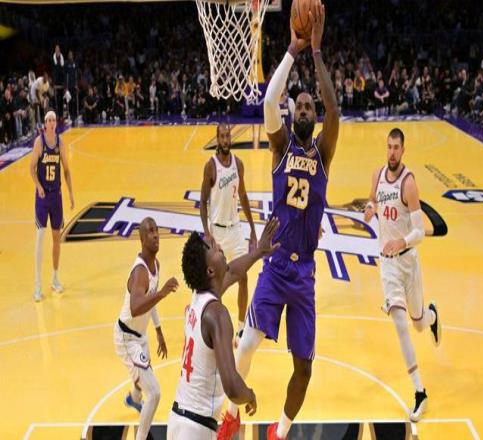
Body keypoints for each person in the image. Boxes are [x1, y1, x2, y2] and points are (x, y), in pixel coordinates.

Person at [218, 2, 340, 439]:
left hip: (303, 272)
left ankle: (279, 431)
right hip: (274, 265)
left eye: (309, 107)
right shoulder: (280, 146)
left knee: (304, 367)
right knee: (248, 343)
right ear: (293, 116)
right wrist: (292, 50)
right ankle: (231, 414)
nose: (304, 110)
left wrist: (318, 52)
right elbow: (271, 100)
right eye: (300, 106)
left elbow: (335, 112)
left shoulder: (323, 152)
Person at [167, 218, 280, 439]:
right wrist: (250, 395)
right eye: (214, 248)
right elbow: (232, 386)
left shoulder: (199, 296)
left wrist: (258, 252)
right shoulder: (217, 315)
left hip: (178, 419)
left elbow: (234, 272)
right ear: (210, 270)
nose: (219, 246)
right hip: (196, 427)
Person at [363, 127, 442, 422]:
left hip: (408, 261)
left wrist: (402, 241)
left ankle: (432, 316)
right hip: (388, 265)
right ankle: (420, 391)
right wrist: (369, 208)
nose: (392, 152)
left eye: (396, 147)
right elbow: (372, 199)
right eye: (389, 147)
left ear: (403, 150)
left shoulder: (409, 184)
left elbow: (420, 232)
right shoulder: (377, 175)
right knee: (399, 323)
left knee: (418, 323)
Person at [114, 217, 179, 440]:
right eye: (150, 232)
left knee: (142, 378)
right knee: (155, 393)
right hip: (127, 338)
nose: (156, 235)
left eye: (157, 230)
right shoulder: (140, 272)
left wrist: (159, 331)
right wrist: (161, 293)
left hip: (140, 336)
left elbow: (149, 301)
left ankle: (133, 398)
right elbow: (135, 308)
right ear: (142, 239)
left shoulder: (155, 265)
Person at [200, 123, 257, 347]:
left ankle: (241, 328)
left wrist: (252, 229)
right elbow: (203, 202)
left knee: (244, 277)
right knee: (215, 284)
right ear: (217, 139)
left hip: (235, 228)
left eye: (227, 136)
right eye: (222, 136)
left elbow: (243, 196)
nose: (225, 140)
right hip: (217, 232)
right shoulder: (211, 166)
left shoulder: (238, 164)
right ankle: (213, 327)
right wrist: (207, 233)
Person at [30, 110, 74, 301]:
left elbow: (66, 171)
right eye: (48, 120)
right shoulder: (39, 142)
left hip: (56, 196)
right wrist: (38, 186)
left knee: (57, 238)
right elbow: (31, 168)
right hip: (42, 197)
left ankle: (55, 277)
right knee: (40, 238)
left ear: (56, 123)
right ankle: (37, 285)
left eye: (54, 120)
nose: (51, 122)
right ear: (45, 123)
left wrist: (70, 193)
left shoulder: (60, 144)